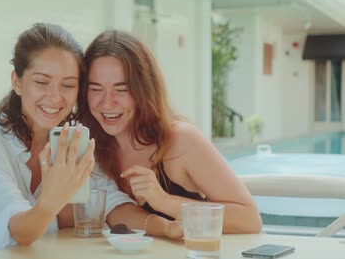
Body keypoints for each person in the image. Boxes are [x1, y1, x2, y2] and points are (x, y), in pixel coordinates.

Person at [0, 23, 140, 259]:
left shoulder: (72, 143)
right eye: (42, 82)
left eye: (67, 85)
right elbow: (20, 233)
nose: (55, 97)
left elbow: (111, 201)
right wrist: (55, 198)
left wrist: (167, 225)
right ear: (17, 82)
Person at [82, 30, 262, 234]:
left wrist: (164, 201)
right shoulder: (92, 147)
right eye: (96, 89)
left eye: (121, 89)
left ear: (145, 89)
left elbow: (250, 219)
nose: (107, 102)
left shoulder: (180, 140)